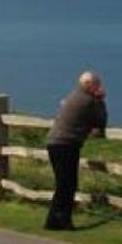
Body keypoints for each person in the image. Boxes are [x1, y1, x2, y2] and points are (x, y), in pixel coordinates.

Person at [44, 70, 107, 231]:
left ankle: (52, 221)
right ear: (88, 85)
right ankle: (64, 220)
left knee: (62, 184)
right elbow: (100, 120)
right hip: (66, 144)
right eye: (96, 84)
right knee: (68, 184)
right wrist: (100, 100)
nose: (99, 87)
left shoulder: (73, 96)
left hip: (54, 142)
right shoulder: (88, 100)